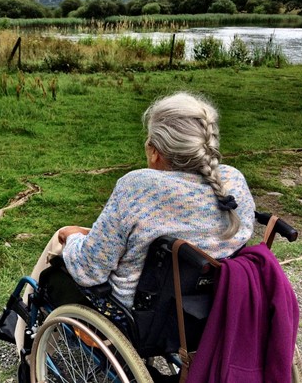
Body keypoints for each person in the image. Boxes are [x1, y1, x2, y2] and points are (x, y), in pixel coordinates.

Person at [15, 91, 255, 353]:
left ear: (154, 151)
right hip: (211, 307)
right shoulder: (233, 182)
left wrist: (71, 238)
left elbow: (89, 270)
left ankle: (25, 343)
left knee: (63, 236)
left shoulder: (138, 187)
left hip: (139, 317)